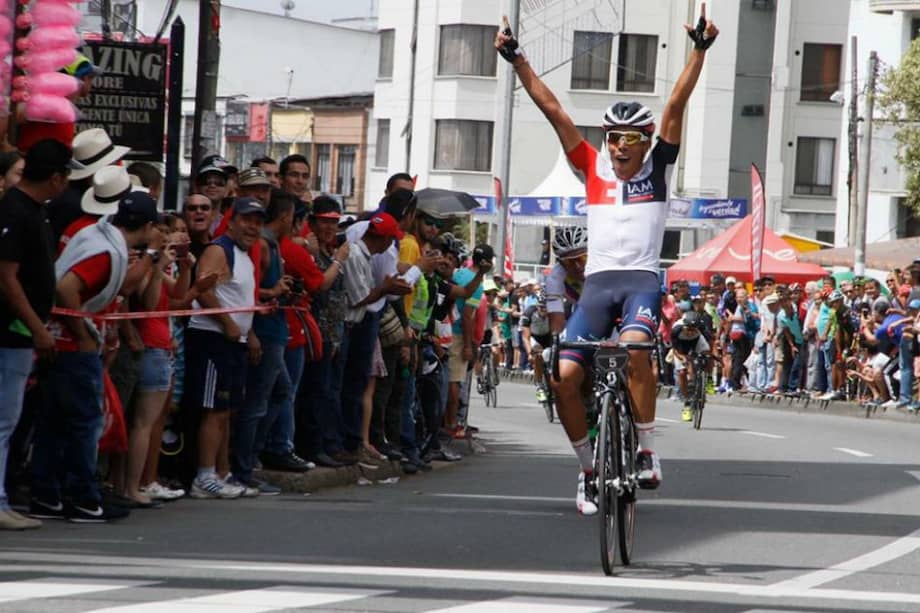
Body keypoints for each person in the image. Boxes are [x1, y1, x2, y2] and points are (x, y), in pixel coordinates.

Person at [496, 5, 718, 512]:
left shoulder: (659, 169)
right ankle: (588, 471)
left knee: (636, 348)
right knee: (563, 378)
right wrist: (518, 59)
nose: (618, 147)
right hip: (597, 287)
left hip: (640, 281)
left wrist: (699, 51)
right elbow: (555, 111)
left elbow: (676, 105)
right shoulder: (592, 167)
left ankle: (646, 451)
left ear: (646, 142)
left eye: (629, 139)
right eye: (612, 137)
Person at [32, 191, 160, 523]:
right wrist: (83, 333)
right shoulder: (106, 251)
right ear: (148, 227)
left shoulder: (98, 236)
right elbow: (67, 288)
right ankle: (83, 497)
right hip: (73, 348)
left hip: (60, 342)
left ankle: (47, 494)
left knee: (55, 422)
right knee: (85, 423)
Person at [0, 140, 75, 530]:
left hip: (20, 333)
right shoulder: (15, 210)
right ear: (56, 177)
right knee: (3, 419)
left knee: (9, 419)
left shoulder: (33, 210)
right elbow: (6, 277)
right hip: (10, 332)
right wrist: (36, 326)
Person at [184, 198, 266, 500]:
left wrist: (249, 333)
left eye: (257, 222)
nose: (252, 227)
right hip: (212, 340)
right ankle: (204, 476)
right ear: (231, 221)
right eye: (246, 220)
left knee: (226, 411)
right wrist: (227, 323)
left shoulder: (243, 255)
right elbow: (202, 289)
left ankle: (222, 472)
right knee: (214, 409)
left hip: (234, 342)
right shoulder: (219, 249)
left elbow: (239, 299)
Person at [544, 225, 587, 333]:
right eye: (569, 262)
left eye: (583, 258)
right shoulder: (555, 277)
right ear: (560, 263)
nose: (577, 266)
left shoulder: (604, 266)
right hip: (583, 308)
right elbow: (556, 321)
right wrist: (557, 338)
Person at [671, 310, 711, 422]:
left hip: (696, 342)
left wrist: (708, 357)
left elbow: (710, 343)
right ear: (684, 326)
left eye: (693, 330)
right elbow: (675, 350)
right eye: (688, 329)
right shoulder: (676, 330)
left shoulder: (702, 328)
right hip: (680, 347)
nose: (690, 332)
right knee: (682, 372)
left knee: (707, 356)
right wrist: (683, 358)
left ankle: (707, 380)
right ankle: (687, 403)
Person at [521, 289, 553, 403]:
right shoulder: (529, 312)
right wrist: (530, 353)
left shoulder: (554, 313)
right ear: (537, 306)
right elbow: (525, 337)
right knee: (538, 356)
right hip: (534, 337)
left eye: (546, 307)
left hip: (548, 337)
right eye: (541, 307)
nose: (543, 309)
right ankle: (539, 386)